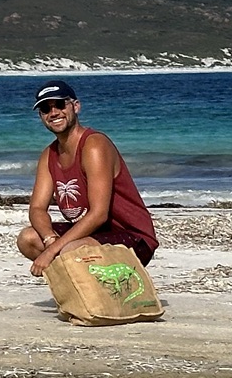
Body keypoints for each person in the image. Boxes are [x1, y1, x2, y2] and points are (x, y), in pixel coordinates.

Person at [16, 80, 159, 276]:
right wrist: (50, 239)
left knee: (71, 250)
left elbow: (99, 214)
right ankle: (81, 292)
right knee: (29, 238)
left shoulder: (93, 145)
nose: (54, 113)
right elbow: (37, 208)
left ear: (76, 106)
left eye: (59, 105)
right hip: (92, 235)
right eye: (45, 109)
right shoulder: (49, 155)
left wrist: (52, 251)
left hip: (132, 237)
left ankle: (101, 293)